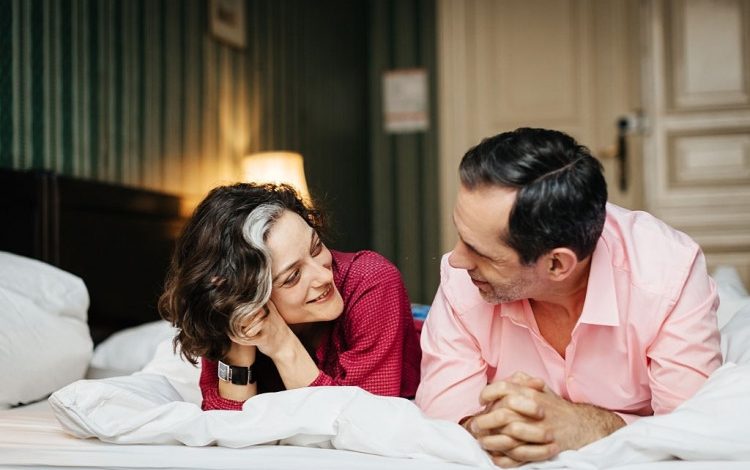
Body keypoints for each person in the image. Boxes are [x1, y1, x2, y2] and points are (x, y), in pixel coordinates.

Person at [415, 128, 721, 467]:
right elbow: (443, 422)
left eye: (481, 252)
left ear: (557, 264)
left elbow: (691, 434)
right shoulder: (464, 279)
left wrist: (585, 426)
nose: (456, 260)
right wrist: (486, 428)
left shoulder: (668, 277)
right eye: (461, 235)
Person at [159, 183, 421, 410]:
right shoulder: (231, 307)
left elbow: (364, 424)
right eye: (293, 276)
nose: (323, 276)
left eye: (316, 248)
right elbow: (226, 428)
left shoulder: (372, 279)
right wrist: (239, 353)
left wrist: (283, 346)